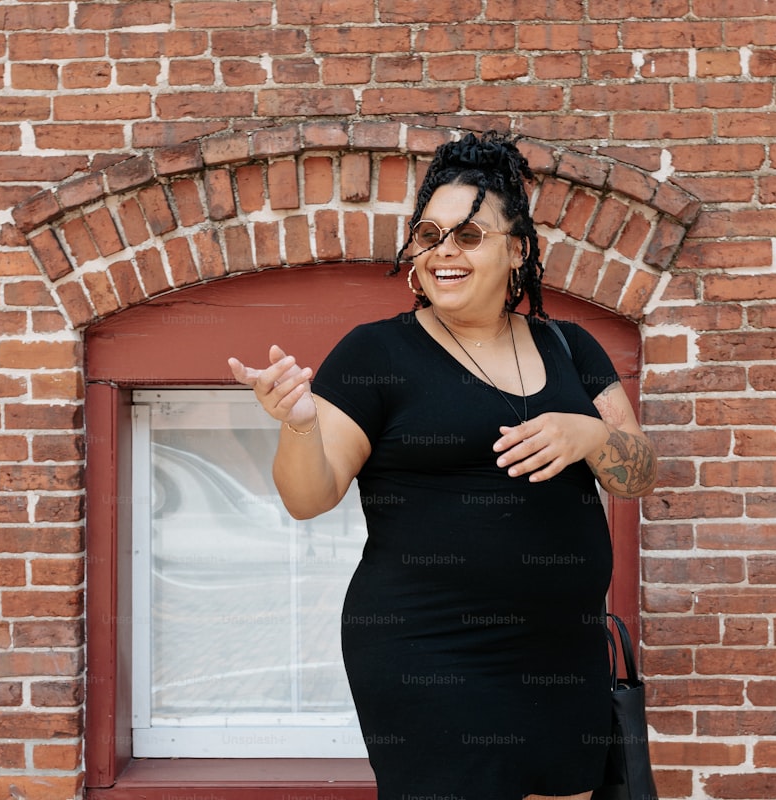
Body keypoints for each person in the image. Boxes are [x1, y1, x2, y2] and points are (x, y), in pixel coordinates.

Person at [228, 131, 657, 800]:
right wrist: (298, 424)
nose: (443, 252)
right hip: (429, 653)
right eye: (429, 235)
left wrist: (589, 437)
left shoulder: (571, 348)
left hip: (560, 656)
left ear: (518, 249)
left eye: (468, 236)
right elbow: (309, 496)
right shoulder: (377, 354)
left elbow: (638, 474)